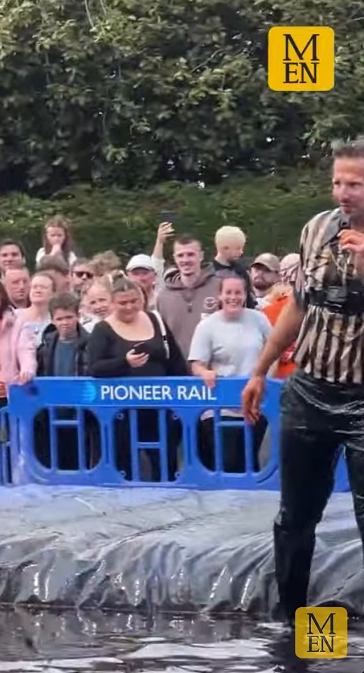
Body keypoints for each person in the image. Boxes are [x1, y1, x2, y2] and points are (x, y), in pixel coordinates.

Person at [242, 138, 364, 623]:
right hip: (311, 387)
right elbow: (298, 304)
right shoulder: (318, 228)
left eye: (355, 184)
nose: (343, 192)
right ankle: (296, 627)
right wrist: (259, 369)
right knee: (295, 518)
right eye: (338, 182)